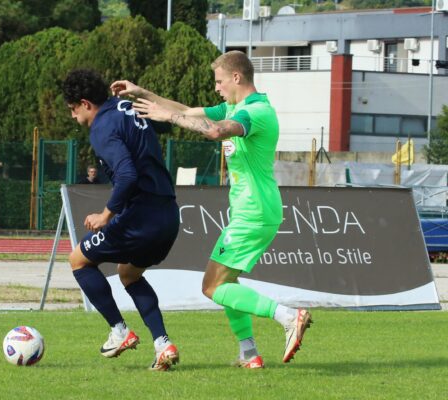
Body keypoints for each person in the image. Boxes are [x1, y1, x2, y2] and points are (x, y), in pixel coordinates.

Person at [111, 50, 312, 369]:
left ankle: (289, 316)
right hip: (254, 210)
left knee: (213, 286)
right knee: (227, 283)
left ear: (236, 77)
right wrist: (142, 93)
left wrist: (170, 119)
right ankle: (249, 353)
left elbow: (216, 130)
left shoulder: (256, 111)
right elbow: (187, 111)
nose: (216, 88)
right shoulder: (234, 105)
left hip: (254, 211)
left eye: (219, 81)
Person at [63, 69, 180, 371]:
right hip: (168, 213)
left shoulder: (101, 128)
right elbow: (167, 121)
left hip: (140, 215)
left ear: (85, 103)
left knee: (78, 259)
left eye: (72, 108)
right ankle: (163, 344)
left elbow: (127, 175)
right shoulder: (124, 106)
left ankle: (119, 330)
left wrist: (105, 215)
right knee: (129, 274)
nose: (72, 116)